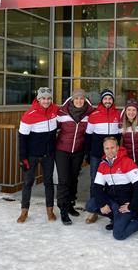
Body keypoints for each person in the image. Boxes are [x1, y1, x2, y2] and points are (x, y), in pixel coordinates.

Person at [87, 137, 138, 240]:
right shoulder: (103, 164)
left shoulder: (127, 162)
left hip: (126, 204)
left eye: (112, 147)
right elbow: (97, 187)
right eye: (107, 148)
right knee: (90, 205)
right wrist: (102, 204)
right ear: (104, 149)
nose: (110, 151)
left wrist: (133, 205)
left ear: (118, 147)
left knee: (119, 235)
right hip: (113, 202)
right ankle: (115, 218)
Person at [17, 87, 59, 223]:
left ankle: (50, 211)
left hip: (48, 154)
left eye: (49, 98)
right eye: (43, 98)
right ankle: (24, 211)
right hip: (32, 155)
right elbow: (22, 137)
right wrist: (23, 158)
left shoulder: (55, 110)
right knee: (28, 182)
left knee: (48, 183)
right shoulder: (30, 114)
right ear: (38, 99)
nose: (46, 101)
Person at [55, 88, 94, 225]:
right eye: (76, 98)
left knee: (73, 178)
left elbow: (91, 133)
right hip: (62, 150)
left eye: (81, 98)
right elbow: (53, 127)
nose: (79, 101)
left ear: (85, 99)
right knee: (64, 180)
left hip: (78, 150)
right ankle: (63, 209)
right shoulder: (62, 112)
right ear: (72, 99)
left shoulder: (90, 113)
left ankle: (71, 204)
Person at [85, 89, 121, 224]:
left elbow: (119, 137)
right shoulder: (94, 115)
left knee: (111, 182)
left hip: (111, 155)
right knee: (96, 182)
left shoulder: (117, 114)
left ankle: (112, 210)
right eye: (105, 99)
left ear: (112, 100)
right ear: (102, 100)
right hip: (96, 155)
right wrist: (87, 154)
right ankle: (94, 211)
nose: (107, 101)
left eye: (110, 99)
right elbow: (88, 136)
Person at [119, 99, 138, 176]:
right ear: (125, 111)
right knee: (128, 183)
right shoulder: (121, 124)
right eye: (129, 110)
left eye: (134, 110)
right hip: (127, 160)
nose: (131, 112)